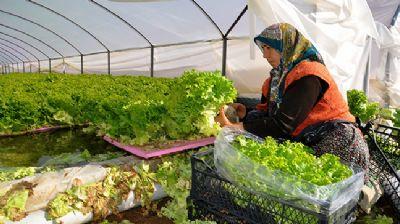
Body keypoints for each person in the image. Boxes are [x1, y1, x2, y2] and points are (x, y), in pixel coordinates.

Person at [216, 23, 370, 177]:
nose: (264, 55)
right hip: (310, 145)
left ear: (287, 45)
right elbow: (272, 116)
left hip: (337, 145)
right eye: (262, 48)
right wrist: (245, 113)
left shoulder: (309, 74)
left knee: (336, 196)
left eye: (269, 47)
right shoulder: (275, 80)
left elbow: (283, 125)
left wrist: (234, 127)